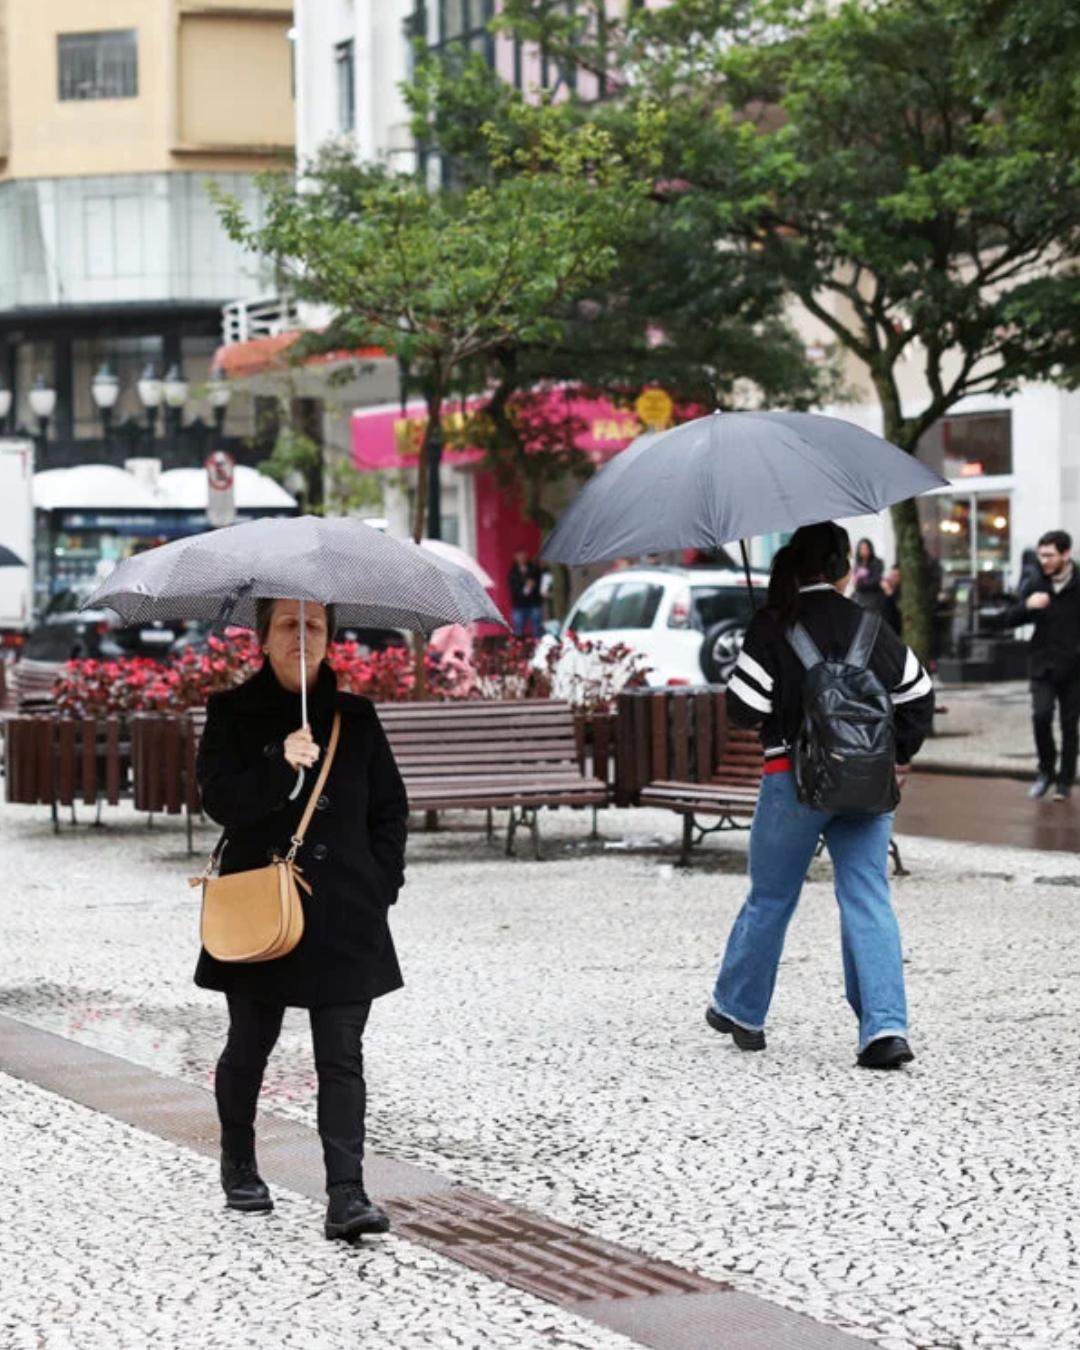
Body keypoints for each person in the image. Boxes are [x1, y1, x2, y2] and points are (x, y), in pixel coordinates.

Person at [195, 597, 408, 1240]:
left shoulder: (356, 718)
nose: (302, 636)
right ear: (261, 638)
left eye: (314, 626)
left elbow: (390, 811)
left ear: (330, 639)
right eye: (288, 625)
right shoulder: (231, 713)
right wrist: (276, 763)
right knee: (250, 1044)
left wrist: (379, 887)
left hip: (345, 912)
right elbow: (220, 803)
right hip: (264, 909)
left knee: (341, 1055)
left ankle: (347, 1194)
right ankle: (239, 1162)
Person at [706, 522, 934, 1069]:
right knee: (867, 896)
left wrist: (766, 644)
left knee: (772, 896)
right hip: (867, 786)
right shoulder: (872, 627)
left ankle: (742, 1012)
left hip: (793, 781)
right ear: (843, 571)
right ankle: (884, 1030)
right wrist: (894, 754)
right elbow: (919, 696)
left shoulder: (773, 624)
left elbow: (742, 710)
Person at [995, 530, 1080, 801]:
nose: (1043, 560)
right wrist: (1027, 606)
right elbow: (1007, 620)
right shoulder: (1034, 581)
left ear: (1065, 554)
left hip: (1074, 668)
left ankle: (1065, 781)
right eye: (1041, 554)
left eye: (1049, 555)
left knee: (1070, 726)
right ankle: (1045, 772)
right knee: (1041, 717)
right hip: (1042, 665)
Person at [508, 549, 544, 638]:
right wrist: (525, 588)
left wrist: (533, 585)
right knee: (518, 630)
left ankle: (537, 646)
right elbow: (513, 590)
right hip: (519, 605)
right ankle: (519, 648)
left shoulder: (534, 570)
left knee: (537, 628)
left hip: (534, 603)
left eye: (523, 556)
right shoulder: (513, 573)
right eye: (519, 557)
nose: (522, 559)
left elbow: (540, 584)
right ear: (515, 558)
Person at [852, 537, 885, 612]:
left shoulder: (877, 562)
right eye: (861, 548)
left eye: (866, 548)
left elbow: (876, 580)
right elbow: (855, 580)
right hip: (860, 597)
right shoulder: (858, 564)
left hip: (873, 597)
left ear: (870, 549)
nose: (864, 551)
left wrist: (860, 584)